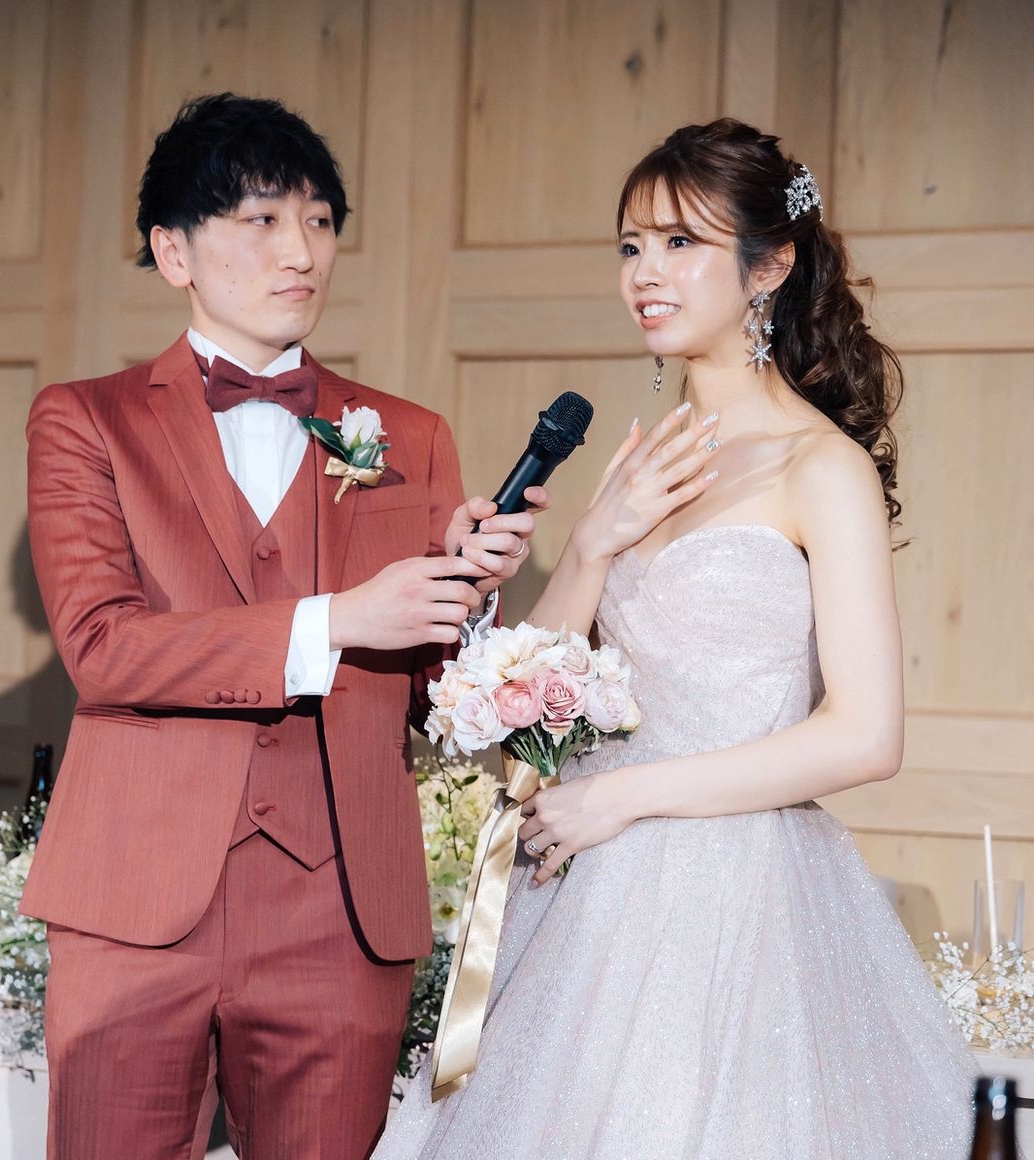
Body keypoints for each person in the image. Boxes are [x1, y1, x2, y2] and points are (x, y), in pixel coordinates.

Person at [375, 119, 978, 1158]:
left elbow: (866, 735)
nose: (644, 273)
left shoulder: (819, 467)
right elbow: (522, 708)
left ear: (768, 266)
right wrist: (589, 545)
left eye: (680, 243)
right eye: (631, 246)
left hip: (731, 895)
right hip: (585, 888)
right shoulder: (644, 462)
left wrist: (625, 794)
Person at [23, 93, 545, 1160]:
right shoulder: (85, 420)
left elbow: (433, 701)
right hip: (135, 897)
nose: (300, 251)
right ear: (174, 251)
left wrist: (471, 599)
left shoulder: (408, 435)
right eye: (261, 220)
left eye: (318, 221)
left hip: (339, 909)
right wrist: (341, 618)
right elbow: (103, 646)